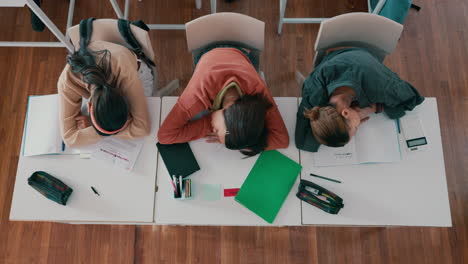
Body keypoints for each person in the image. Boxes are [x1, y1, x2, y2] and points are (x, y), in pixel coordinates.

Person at [158, 46, 289, 156]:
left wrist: (236, 139)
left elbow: (282, 140)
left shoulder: (258, 98)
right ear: (228, 107)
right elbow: (165, 136)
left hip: (240, 59)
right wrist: (207, 125)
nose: (213, 131)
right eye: (216, 130)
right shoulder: (197, 95)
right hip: (209, 52)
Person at [295, 47, 424, 152]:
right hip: (336, 61)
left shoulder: (383, 87)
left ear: (346, 113)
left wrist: (372, 109)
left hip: (361, 57)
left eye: (355, 129)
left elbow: (412, 100)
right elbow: (302, 143)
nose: (357, 128)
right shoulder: (314, 88)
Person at [58, 40, 151, 147]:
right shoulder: (67, 81)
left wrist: (95, 130)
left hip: (136, 71)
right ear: (88, 105)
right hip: (113, 62)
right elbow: (70, 139)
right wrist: (103, 130)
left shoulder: (125, 71)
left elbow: (142, 129)